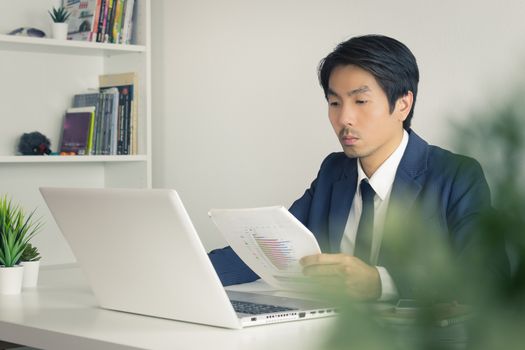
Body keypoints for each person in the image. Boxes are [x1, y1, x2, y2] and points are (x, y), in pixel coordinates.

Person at [208, 34, 509, 301]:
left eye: (361, 101)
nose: (344, 119)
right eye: (334, 103)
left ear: (403, 105)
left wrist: (380, 282)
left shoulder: (455, 175)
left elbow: (487, 277)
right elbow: (271, 250)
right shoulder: (333, 172)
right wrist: (185, 269)